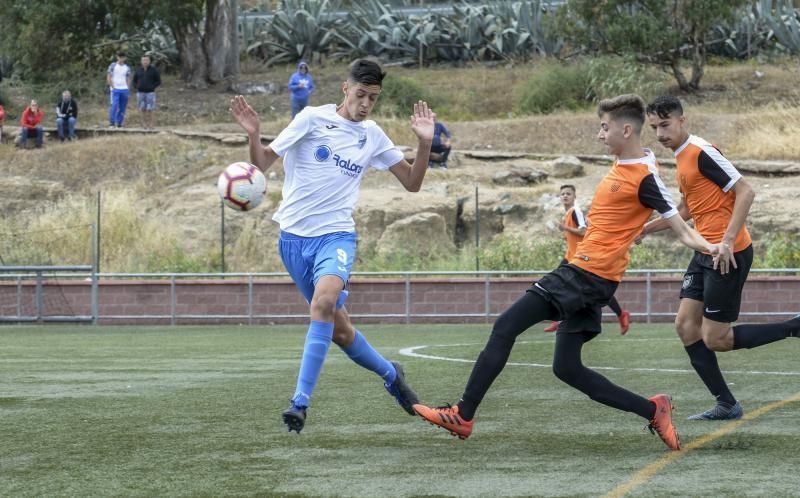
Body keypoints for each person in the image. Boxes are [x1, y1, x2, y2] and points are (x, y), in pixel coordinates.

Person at [412, 94, 734, 451]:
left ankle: (463, 414)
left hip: (586, 276)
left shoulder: (645, 176)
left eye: (604, 127)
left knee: (505, 325)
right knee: (567, 368)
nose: (599, 134)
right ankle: (653, 409)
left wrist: (711, 246)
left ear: (626, 130)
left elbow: (680, 226)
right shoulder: (625, 164)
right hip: (589, 275)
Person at [231, 59, 436, 434]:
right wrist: (254, 133)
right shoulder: (310, 119)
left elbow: (412, 183)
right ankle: (392, 374)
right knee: (340, 333)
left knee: (323, 302)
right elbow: (260, 164)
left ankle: (300, 403)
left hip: (336, 236)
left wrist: (425, 143)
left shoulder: (372, 134)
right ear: (345, 88)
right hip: (292, 240)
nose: (366, 104)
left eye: (373, 98)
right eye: (361, 95)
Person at [641, 95, 800, 421]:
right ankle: (726, 403)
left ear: (682, 120)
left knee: (717, 339)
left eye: (665, 125)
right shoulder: (681, 157)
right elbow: (686, 209)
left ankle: (795, 327)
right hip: (705, 251)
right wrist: (645, 229)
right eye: (654, 127)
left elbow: (746, 191)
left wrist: (726, 241)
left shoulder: (700, 152)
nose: (659, 134)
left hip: (728, 254)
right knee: (686, 326)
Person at [544, 184, 631, 334]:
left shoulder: (575, 212)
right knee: (556, 283)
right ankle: (559, 319)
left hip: (581, 258)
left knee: (590, 289)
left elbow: (584, 232)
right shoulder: (567, 214)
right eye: (562, 194)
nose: (565, 196)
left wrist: (565, 228)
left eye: (568, 194)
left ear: (574, 197)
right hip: (571, 256)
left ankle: (620, 313)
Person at [132, 54, 161, 130]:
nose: (145, 62)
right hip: (140, 93)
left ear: (149, 61)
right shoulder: (138, 70)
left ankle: (151, 124)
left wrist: (153, 87)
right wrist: (136, 87)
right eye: (143, 60)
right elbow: (134, 81)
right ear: (141, 61)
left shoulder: (154, 70)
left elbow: (158, 81)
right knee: (142, 108)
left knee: (150, 109)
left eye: (147, 60)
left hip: (150, 93)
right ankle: (143, 124)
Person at [107, 51, 132, 128]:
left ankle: (119, 123)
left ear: (125, 58)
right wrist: (112, 86)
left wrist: (128, 88)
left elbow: (128, 78)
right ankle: (112, 123)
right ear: (117, 57)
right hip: (115, 89)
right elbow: (109, 76)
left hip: (124, 89)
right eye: (119, 57)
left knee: (122, 107)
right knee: (114, 105)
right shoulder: (113, 65)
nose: (121, 59)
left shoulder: (127, 67)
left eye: (122, 57)